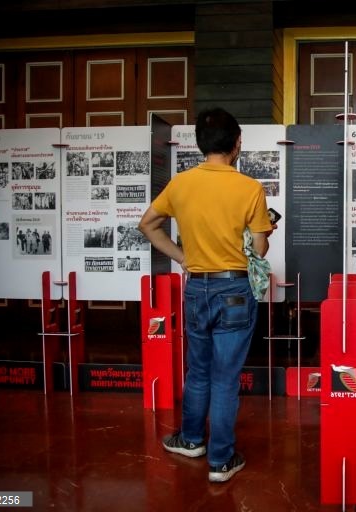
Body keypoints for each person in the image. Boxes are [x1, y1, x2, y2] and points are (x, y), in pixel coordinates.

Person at [138, 107, 274, 482]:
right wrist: (262, 233)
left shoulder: (180, 184)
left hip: (197, 287)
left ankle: (191, 439)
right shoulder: (250, 188)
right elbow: (258, 252)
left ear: (200, 145)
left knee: (198, 370)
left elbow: (147, 225)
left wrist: (184, 257)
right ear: (237, 144)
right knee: (225, 377)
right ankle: (220, 461)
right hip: (235, 289)